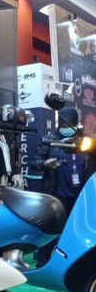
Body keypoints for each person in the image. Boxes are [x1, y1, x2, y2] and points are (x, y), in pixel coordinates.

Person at [31, 107, 95, 265]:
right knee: (51, 230)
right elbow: (34, 162)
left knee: (78, 230)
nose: (67, 128)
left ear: (76, 123)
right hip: (56, 194)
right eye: (64, 124)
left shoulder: (86, 142)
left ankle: (74, 263)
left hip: (81, 196)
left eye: (70, 124)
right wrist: (45, 164)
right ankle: (43, 262)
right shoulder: (49, 141)